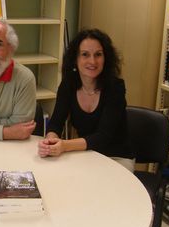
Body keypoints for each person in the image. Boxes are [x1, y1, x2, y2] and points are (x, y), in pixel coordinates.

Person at [37, 28, 134, 172]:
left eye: (98, 55)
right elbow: (56, 123)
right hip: (87, 154)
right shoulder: (69, 84)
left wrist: (64, 145)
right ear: (75, 59)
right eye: (85, 54)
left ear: (105, 58)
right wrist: (50, 141)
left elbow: (103, 137)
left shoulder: (115, 88)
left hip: (117, 157)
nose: (92, 61)